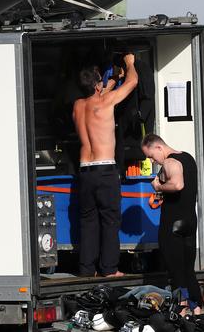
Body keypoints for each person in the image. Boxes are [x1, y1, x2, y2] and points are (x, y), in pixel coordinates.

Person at [72, 54, 138, 277]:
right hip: (105, 168)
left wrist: (109, 84)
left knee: (88, 221)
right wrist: (129, 64)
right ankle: (109, 269)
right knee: (110, 220)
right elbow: (132, 82)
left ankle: (86, 269)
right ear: (96, 83)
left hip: (85, 170)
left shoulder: (78, 106)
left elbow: (96, 102)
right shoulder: (105, 102)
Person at [141, 134, 203, 315]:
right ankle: (197, 312)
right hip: (190, 222)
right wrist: (162, 196)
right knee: (188, 270)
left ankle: (181, 313)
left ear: (159, 147)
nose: (152, 160)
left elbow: (177, 185)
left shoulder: (170, 162)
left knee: (175, 273)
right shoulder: (188, 158)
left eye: (151, 156)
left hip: (173, 225)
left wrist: (158, 187)